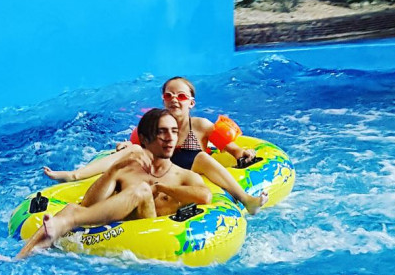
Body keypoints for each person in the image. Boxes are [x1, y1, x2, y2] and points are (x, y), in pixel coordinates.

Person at [44, 77, 268, 215]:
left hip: (185, 172)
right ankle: (74, 175)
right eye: (168, 95)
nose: (174, 99)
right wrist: (126, 146)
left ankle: (245, 199)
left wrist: (242, 153)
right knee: (133, 150)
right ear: (163, 100)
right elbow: (138, 147)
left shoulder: (201, 126)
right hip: (157, 169)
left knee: (201, 157)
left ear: (191, 103)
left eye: (181, 96)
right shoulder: (154, 124)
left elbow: (233, 150)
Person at [16, 108, 211, 259]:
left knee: (142, 190)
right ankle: (18, 258)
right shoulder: (127, 170)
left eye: (174, 132)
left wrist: (160, 187)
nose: (169, 138)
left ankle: (69, 222)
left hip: (153, 240)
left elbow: (205, 196)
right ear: (145, 139)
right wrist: (115, 168)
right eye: (162, 132)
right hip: (118, 237)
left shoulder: (184, 176)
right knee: (70, 209)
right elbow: (88, 205)